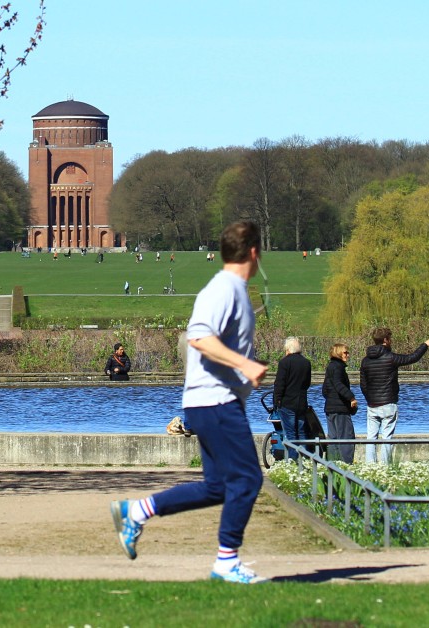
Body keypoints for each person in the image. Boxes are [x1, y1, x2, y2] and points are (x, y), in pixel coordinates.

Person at [110, 220, 270, 584]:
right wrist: (245, 364)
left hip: (212, 402)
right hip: (216, 403)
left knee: (219, 488)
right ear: (255, 253)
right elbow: (198, 337)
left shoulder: (235, 290)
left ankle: (135, 511)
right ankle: (227, 562)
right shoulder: (224, 289)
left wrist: (244, 370)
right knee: (247, 481)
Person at [359, 328, 429, 463]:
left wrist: (370, 398)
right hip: (388, 402)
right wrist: (425, 345)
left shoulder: (365, 361)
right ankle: (385, 465)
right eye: (390, 339)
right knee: (387, 437)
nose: (391, 341)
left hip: (372, 404)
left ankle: (370, 465)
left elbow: (363, 385)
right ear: (385, 340)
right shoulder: (391, 358)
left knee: (371, 437)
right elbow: (412, 357)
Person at [271, 336, 311, 460]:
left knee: (291, 433)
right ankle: (305, 459)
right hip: (301, 403)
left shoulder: (284, 362)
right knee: (302, 431)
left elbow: (279, 383)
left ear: (288, 349)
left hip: (287, 403)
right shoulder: (306, 362)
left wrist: (277, 400)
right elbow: (307, 383)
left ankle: (294, 461)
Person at [322, 343, 359, 463]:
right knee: (346, 437)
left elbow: (325, 390)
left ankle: (332, 463)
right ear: (338, 353)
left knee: (333, 438)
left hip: (330, 408)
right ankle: (346, 465)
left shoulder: (330, 367)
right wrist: (351, 398)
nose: (348, 355)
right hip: (340, 409)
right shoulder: (338, 368)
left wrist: (331, 400)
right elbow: (338, 385)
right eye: (345, 352)